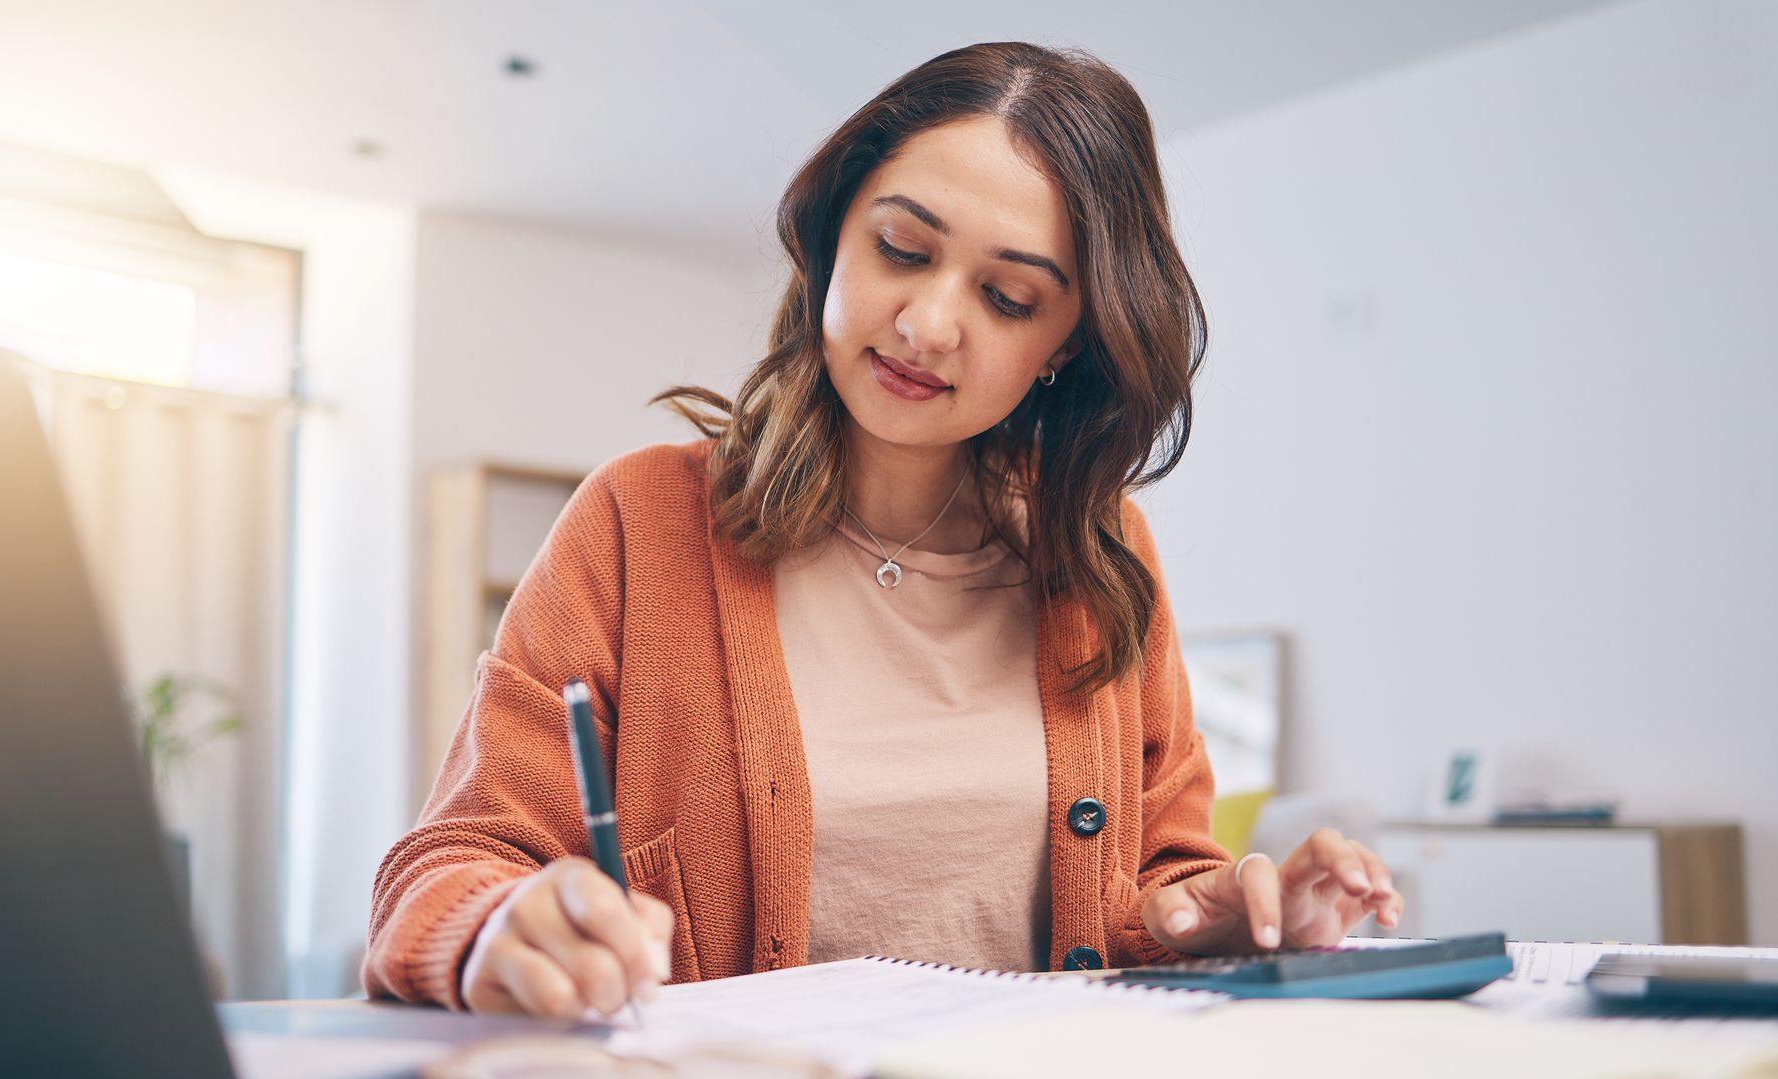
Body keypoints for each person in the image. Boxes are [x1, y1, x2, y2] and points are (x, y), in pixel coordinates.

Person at [365, 42, 1402, 1019]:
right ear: (832, 238)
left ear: (1064, 344)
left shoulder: (1102, 553)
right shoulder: (639, 525)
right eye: (902, 248)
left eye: (1007, 297)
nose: (928, 324)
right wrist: (497, 924)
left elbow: (1154, 882)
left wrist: (1215, 913)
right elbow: (445, 868)